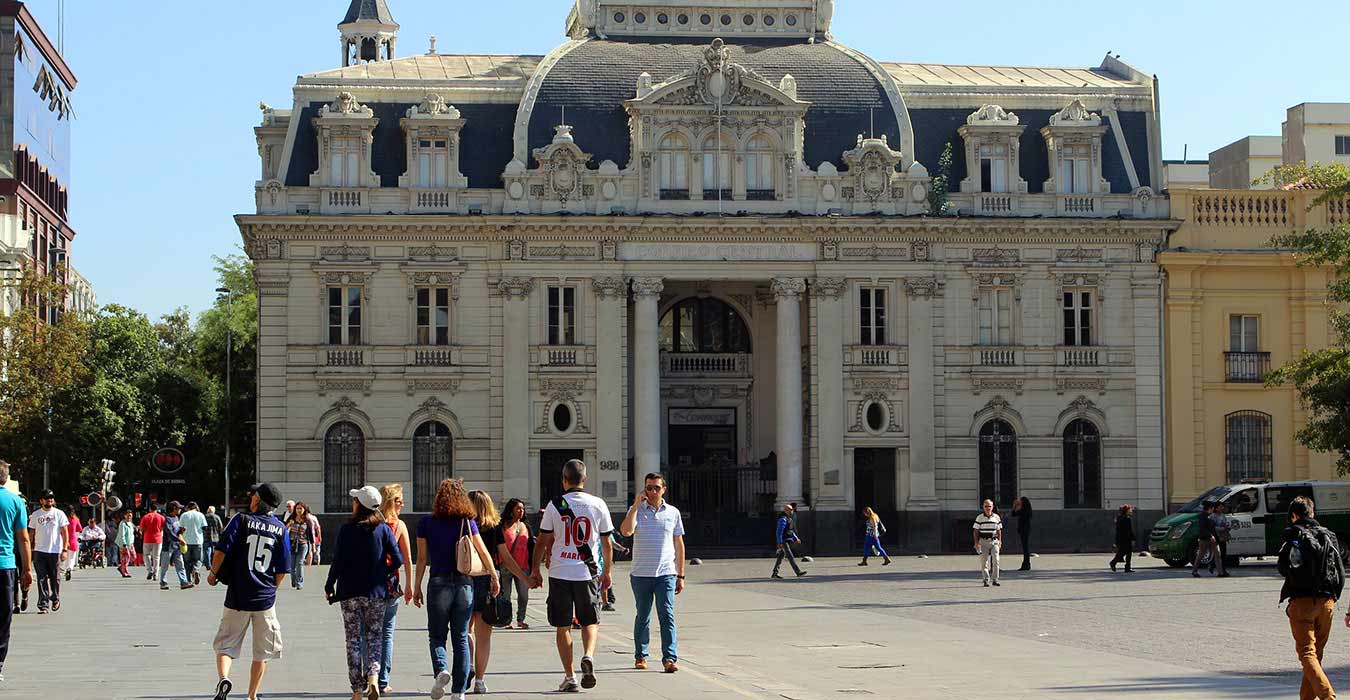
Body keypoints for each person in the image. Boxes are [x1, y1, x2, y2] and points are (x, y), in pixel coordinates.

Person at [530, 459, 614, 693]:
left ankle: (570, 676)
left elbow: (543, 540)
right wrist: (607, 571)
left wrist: (535, 569)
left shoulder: (555, 505)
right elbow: (607, 542)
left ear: (564, 480)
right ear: (585, 479)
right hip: (587, 572)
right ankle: (588, 655)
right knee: (590, 621)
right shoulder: (598, 504)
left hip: (560, 572)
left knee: (562, 626)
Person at [413, 479, 499, 700]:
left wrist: (416, 586)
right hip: (464, 584)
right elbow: (482, 551)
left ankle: (441, 670)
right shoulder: (467, 521)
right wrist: (493, 576)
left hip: (438, 583)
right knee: (461, 637)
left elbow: (421, 559)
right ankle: (459, 692)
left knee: (437, 636)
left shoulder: (426, 523)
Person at [207, 482, 292, 700]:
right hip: (264, 599)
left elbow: (221, 550)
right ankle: (252, 695)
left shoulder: (241, 519)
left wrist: (213, 574)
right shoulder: (280, 528)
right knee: (262, 652)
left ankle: (224, 678)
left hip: (238, 595)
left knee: (225, 644)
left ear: (257, 499)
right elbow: (283, 568)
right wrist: (272, 589)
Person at [325, 486, 403, 700]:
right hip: (376, 593)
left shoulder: (346, 529)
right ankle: (374, 679)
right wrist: (381, 571)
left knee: (352, 639)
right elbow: (398, 560)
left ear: (359, 505)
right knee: (375, 637)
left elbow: (338, 561)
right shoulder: (384, 529)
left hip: (349, 592)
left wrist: (329, 585)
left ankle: (357, 689)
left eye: (355, 500)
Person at [1278, 495, 1345, 700]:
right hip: (1327, 603)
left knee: (1307, 654)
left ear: (1294, 515)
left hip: (1301, 602)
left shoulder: (1293, 535)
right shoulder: (1329, 535)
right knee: (1317, 655)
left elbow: (1282, 567)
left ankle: (1328, 697)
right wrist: (1333, 599)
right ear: (1313, 512)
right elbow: (1340, 572)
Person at [619, 473, 686, 673]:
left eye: (656, 487)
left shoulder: (673, 512)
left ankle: (670, 658)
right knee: (643, 615)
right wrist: (634, 506)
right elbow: (625, 531)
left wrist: (680, 575)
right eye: (649, 488)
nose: (652, 491)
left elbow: (679, 544)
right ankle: (641, 655)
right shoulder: (638, 511)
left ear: (664, 489)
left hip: (666, 573)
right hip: (641, 574)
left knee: (667, 614)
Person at [372, 484, 413, 695]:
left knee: (368, 632)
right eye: (399, 500)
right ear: (390, 501)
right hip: (390, 584)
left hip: (370, 584)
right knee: (387, 633)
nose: (402, 504)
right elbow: (407, 559)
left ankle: (369, 676)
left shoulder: (372, 523)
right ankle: (383, 681)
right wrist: (409, 585)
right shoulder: (399, 525)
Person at [467, 490, 506, 694]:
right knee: (485, 635)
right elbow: (505, 556)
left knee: (465, 630)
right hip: (488, 579)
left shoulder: (463, 525)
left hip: (465, 578)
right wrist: (526, 578)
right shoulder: (495, 526)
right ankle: (480, 681)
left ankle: (469, 666)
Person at [0, 462, 32, 682]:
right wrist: (27, 569)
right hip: (5, 566)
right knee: (3, 618)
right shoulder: (15, 501)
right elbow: (23, 538)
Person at [27, 490, 68, 613]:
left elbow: (64, 532)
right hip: (39, 551)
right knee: (41, 578)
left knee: (55, 577)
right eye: (46, 498)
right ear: (41, 501)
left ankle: (55, 598)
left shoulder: (59, 514)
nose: (49, 500)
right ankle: (43, 604)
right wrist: (29, 549)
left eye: (51, 498)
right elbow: (31, 534)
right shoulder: (35, 515)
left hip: (54, 551)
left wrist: (65, 549)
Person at [499, 498, 533, 629]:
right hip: (505, 566)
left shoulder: (526, 526)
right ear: (511, 510)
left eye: (523, 509)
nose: (521, 511)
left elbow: (531, 546)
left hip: (523, 566)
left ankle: (521, 618)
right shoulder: (501, 526)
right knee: (506, 596)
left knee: (524, 595)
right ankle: (507, 620)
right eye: (518, 508)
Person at [159, 501, 194, 591]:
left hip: (177, 546)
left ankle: (184, 582)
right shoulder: (167, 519)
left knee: (180, 564)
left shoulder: (176, 518)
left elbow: (176, 531)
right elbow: (169, 532)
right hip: (168, 546)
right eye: (178, 508)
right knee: (165, 565)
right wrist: (180, 540)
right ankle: (163, 582)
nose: (180, 510)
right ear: (174, 508)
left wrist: (181, 530)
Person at [771, 503, 806, 579]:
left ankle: (774, 573)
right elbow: (779, 532)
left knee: (780, 557)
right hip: (784, 541)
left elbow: (790, 531)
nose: (792, 511)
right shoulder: (783, 519)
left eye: (792, 509)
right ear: (786, 510)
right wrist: (779, 542)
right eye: (790, 509)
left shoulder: (789, 519)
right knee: (790, 556)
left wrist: (796, 538)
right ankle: (798, 572)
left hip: (787, 539)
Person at [285, 502, 315, 591]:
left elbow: (310, 534)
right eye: (297, 508)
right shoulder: (291, 518)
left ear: (304, 510)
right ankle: (294, 581)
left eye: (301, 508)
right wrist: (289, 525)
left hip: (303, 544)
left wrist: (312, 547)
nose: (299, 510)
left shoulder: (307, 521)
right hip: (292, 544)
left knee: (299, 563)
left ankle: (299, 583)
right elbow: (284, 530)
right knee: (292, 565)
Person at [974, 499, 1002, 587]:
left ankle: (995, 579)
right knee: (984, 561)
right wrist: (976, 542)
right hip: (983, 541)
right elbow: (976, 531)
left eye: (989, 506)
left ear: (992, 507)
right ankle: (986, 580)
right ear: (983, 507)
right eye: (986, 506)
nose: (988, 508)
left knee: (996, 560)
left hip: (994, 541)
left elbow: (999, 530)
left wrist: (1000, 541)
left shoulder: (996, 517)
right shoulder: (979, 518)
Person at [1192, 501, 1224, 578]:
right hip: (1204, 539)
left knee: (1217, 554)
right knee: (1200, 555)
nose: (1214, 509)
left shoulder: (1210, 516)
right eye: (1213, 508)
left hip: (1213, 539)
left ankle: (1220, 572)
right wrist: (1210, 535)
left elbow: (1212, 527)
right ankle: (1194, 571)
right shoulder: (1202, 516)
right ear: (1210, 508)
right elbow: (1203, 528)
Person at [180, 502, 208, 585]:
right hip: (198, 541)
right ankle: (195, 570)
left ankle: (188, 580)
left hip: (186, 541)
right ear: (196, 507)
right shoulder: (201, 515)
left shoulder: (184, 515)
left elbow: (180, 528)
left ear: (188, 507)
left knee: (186, 561)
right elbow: (205, 527)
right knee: (198, 560)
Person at [139, 504, 165, 581]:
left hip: (147, 539)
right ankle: (156, 574)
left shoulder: (145, 517)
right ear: (157, 509)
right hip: (158, 539)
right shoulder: (161, 517)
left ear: (150, 509)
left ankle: (149, 570)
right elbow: (163, 527)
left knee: (146, 555)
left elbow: (142, 528)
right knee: (156, 557)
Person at [1109, 504, 1136, 573]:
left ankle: (1127, 567)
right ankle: (1114, 563)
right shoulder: (1127, 519)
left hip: (1120, 538)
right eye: (1129, 510)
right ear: (1126, 511)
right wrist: (1133, 538)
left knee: (1125, 552)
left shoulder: (1119, 518)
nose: (1131, 511)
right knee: (1123, 553)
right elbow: (1129, 530)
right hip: (1126, 539)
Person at [1011, 497, 1033, 571]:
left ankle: (1026, 564)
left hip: (1024, 530)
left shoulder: (1023, 510)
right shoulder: (1027, 510)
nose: (1019, 503)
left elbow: (1014, 513)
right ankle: (1026, 564)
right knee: (1025, 547)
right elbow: (1014, 514)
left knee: (1025, 548)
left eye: (1020, 501)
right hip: (1025, 530)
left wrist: (1015, 506)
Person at [1212, 501, 1232, 576]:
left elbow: (1225, 524)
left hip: (1223, 537)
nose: (1222, 508)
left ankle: (1223, 569)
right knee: (1217, 554)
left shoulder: (1223, 515)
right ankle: (1215, 568)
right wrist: (1222, 528)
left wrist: (1227, 527)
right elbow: (1213, 527)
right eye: (1220, 506)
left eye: (1222, 506)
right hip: (1216, 536)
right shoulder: (1213, 516)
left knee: (1223, 553)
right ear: (1216, 508)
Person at [114, 509, 136, 578]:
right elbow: (122, 535)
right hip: (124, 544)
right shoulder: (122, 524)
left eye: (130, 515)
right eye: (128, 515)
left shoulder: (131, 523)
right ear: (125, 516)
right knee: (126, 558)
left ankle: (121, 567)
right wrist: (124, 545)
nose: (129, 517)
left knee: (133, 557)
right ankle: (125, 572)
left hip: (130, 543)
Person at [62, 507, 80, 581]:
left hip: (64, 540)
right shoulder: (76, 519)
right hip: (73, 540)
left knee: (65, 557)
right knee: (72, 558)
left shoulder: (63, 519)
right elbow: (79, 528)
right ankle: (69, 568)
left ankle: (66, 569)